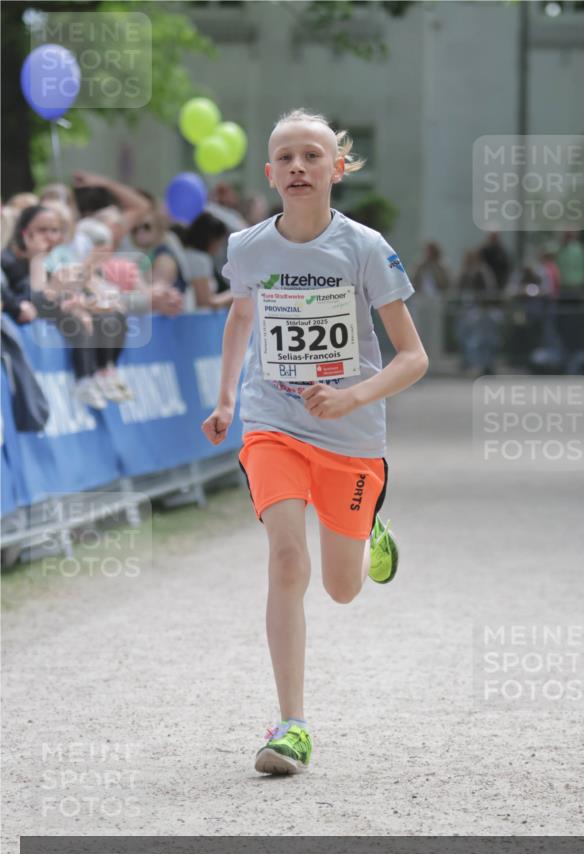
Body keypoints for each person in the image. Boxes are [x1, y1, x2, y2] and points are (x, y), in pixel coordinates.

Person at [201, 108, 428, 775]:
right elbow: (241, 317)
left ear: (338, 168)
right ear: (270, 173)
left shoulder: (363, 247)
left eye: (312, 156)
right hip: (271, 421)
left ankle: (371, 528)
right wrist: (223, 400)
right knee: (286, 562)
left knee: (341, 588)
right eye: (286, 158)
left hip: (350, 432)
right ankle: (291, 725)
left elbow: (413, 357)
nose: (298, 167)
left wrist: (353, 396)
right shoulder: (247, 248)